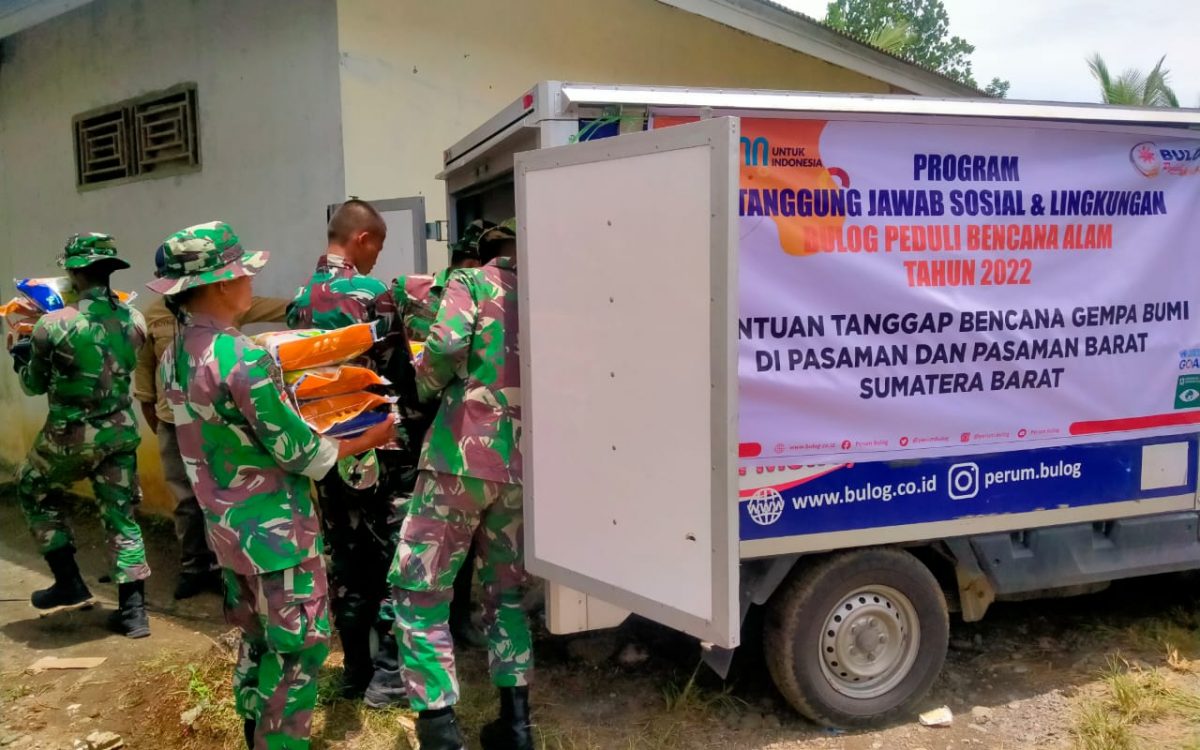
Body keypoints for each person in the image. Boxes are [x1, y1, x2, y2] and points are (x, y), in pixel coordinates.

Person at [149, 220, 394, 750]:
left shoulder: (176, 355)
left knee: (257, 641)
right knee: (300, 655)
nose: (251, 284)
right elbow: (303, 454)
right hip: (279, 537)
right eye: (244, 275)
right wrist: (371, 434)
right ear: (218, 285)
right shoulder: (243, 358)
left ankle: (250, 732)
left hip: (228, 533)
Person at [390, 219, 531, 750]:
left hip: (460, 459)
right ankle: (516, 730)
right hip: (521, 468)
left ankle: (440, 734)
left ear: (485, 252)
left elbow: (445, 348)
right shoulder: (553, 289)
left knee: (418, 590)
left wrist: (424, 385)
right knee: (506, 596)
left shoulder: (471, 283)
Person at [286, 199, 410, 708]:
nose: (380, 255)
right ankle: (388, 677)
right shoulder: (373, 293)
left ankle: (354, 669)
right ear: (361, 239)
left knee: (343, 555)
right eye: (378, 243)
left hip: (329, 451)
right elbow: (399, 370)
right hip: (379, 448)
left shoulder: (298, 300)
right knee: (392, 553)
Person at [13, 233, 151, 638]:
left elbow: (33, 386)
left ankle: (68, 580)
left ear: (73, 273)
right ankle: (134, 612)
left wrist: (20, 354)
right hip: (120, 433)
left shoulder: (51, 325)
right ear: (110, 272)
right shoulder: (134, 320)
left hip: (69, 435)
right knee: (121, 514)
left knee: (32, 486)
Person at [133, 294, 289, 600]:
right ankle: (193, 567)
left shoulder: (222, 305)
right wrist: (161, 426)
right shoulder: (152, 315)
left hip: (217, 424)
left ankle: (227, 568)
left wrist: (309, 305)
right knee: (186, 501)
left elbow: (278, 308)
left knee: (223, 496)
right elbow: (145, 377)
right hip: (174, 423)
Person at [391, 218, 495, 651]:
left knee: (465, 539)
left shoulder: (487, 297)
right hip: (418, 430)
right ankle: (408, 630)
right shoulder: (413, 291)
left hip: (458, 433)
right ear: (469, 261)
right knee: (411, 535)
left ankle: (455, 619)